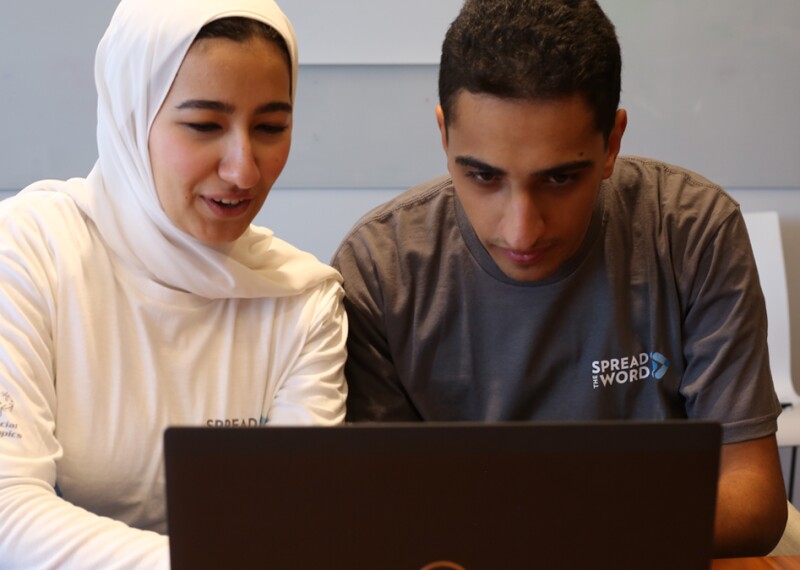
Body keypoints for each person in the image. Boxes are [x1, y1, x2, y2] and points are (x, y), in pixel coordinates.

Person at [332, 0, 787, 558]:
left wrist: (536, 532)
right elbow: (379, 511)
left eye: (560, 178)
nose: (521, 231)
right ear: (444, 136)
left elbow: (754, 500)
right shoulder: (378, 270)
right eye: (482, 176)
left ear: (612, 143)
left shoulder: (691, 231)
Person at [0, 0, 346, 567]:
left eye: (270, 127)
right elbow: (7, 510)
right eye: (204, 126)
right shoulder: (31, 252)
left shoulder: (301, 301)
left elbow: (296, 522)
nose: (243, 170)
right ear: (131, 117)